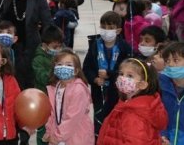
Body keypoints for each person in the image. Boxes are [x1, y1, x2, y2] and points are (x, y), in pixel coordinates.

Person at [83, 11, 132, 139]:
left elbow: (129, 71)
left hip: (118, 93)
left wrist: (109, 74)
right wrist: (94, 78)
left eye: (110, 28)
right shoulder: (95, 45)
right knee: (99, 121)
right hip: (99, 92)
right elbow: (86, 67)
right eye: (103, 27)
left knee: (116, 124)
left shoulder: (124, 47)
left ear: (118, 30)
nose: (106, 31)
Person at [97, 58, 167, 144]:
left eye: (130, 76)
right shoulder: (125, 105)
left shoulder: (135, 115)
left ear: (142, 84)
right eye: (121, 74)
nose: (122, 78)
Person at [43, 49, 94, 145]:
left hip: (77, 137)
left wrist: (58, 137)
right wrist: (49, 131)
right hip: (59, 136)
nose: (63, 67)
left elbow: (72, 118)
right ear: (54, 68)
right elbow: (53, 114)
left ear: (76, 70)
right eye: (60, 64)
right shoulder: (56, 87)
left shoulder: (79, 89)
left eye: (68, 65)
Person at [160, 42, 184, 144]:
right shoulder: (160, 85)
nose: (170, 64)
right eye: (167, 61)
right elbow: (157, 116)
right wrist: (162, 135)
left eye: (176, 60)